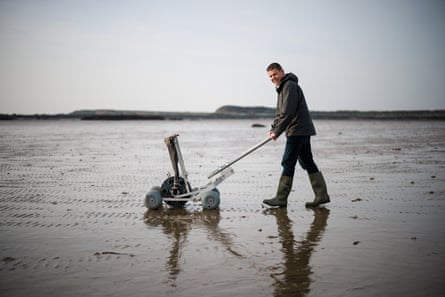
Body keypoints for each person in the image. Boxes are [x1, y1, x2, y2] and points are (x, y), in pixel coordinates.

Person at [263, 62, 330, 208]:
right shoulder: (282, 87)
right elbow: (279, 113)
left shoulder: (289, 86)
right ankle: (322, 195)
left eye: (274, 74)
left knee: (288, 162)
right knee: (306, 161)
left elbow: (288, 113)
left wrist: (278, 131)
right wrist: (273, 128)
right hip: (300, 130)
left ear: (282, 71)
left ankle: (281, 198)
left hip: (298, 130)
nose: (273, 78)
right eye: (270, 76)